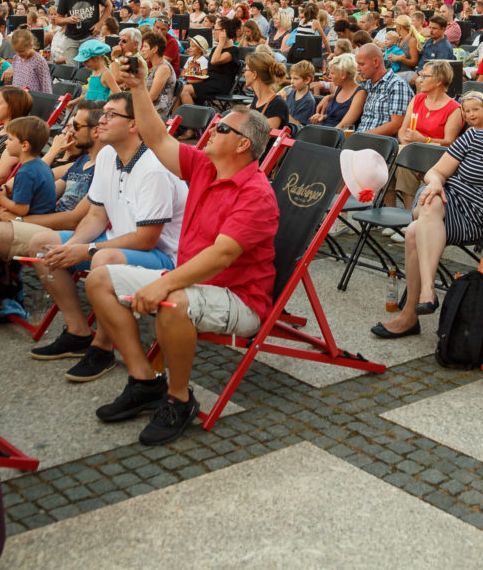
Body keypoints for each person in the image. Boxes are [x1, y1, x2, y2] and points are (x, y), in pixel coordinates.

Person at [83, 62, 279, 446]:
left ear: (243, 144)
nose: (211, 128)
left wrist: (164, 284)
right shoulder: (206, 166)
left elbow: (222, 256)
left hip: (239, 297)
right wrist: (139, 89)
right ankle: (143, 380)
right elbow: (157, 139)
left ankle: (180, 397)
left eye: (222, 127)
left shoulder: (256, 194)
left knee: (172, 301)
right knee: (99, 278)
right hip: (193, 281)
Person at [24, 91, 188, 381]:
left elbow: (146, 239)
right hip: (120, 242)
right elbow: (96, 215)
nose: (102, 119)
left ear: (133, 125)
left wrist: (87, 250)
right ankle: (78, 331)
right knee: (41, 244)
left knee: (102, 259)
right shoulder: (109, 154)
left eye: (111, 115)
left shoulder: (154, 168)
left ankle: (103, 347)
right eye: (103, 113)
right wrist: (72, 247)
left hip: (164, 257)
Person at [370, 100, 483, 337]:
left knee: (414, 231)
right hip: (444, 200)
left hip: (481, 219)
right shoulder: (473, 137)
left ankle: (410, 315)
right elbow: (437, 172)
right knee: (432, 198)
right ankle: (427, 291)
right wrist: (434, 182)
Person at [354, 43, 413, 137]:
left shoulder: (396, 85)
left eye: (361, 64)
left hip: (380, 144)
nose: (358, 69)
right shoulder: (369, 83)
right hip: (361, 139)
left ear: (376, 62)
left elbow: (397, 125)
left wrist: (361, 136)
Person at [51, 0, 111, 64]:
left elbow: (109, 5)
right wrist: (68, 19)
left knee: (95, 65)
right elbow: (58, 20)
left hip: (91, 35)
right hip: (72, 38)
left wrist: (100, 23)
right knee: (71, 68)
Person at [178, 17, 239, 106]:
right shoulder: (216, 49)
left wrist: (221, 42)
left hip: (220, 85)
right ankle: (176, 117)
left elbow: (214, 61)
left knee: (184, 90)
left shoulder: (232, 51)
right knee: (178, 89)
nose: (213, 32)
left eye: (215, 29)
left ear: (223, 32)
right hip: (208, 81)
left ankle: (193, 117)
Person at [241, 49, 289, 136]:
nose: (244, 74)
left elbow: (262, 138)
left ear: (254, 74)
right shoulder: (258, 98)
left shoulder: (277, 104)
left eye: (246, 70)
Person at [312, 53, 366, 129]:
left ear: (343, 75)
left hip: (336, 136)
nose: (329, 76)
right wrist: (322, 117)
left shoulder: (360, 94)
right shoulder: (339, 88)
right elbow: (336, 115)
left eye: (332, 73)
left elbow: (344, 125)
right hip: (325, 130)